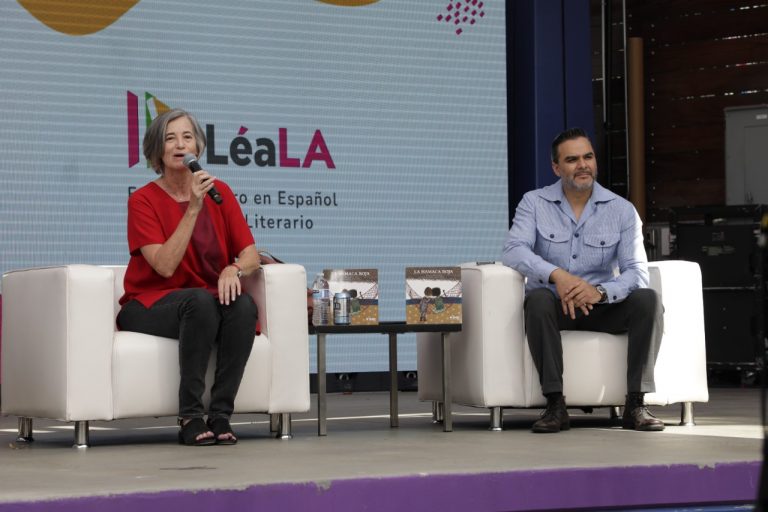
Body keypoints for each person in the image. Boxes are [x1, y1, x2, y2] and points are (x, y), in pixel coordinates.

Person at [502, 127, 664, 434]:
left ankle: (636, 404)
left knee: (647, 298)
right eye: (572, 159)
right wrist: (557, 275)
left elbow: (636, 272)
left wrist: (600, 292)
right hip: (556, 307)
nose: (583, 165)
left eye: (588, 157)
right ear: (556, 167)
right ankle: (555, 405)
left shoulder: (622, 211)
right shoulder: (534, 203)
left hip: (602, 307)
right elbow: (513, 249)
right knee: (536, 300)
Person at [117, 109, 260, 446]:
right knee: (199, 301)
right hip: (148, 304)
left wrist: (234, 268)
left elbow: (251, 253)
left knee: (242, 306)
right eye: (170, 138)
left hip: (203, 301)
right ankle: (190, 415)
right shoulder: (142, 201)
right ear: (157, 150)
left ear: (198, 145)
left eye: (187, 137)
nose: (180, 144)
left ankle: (221, 414)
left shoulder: (218, 192)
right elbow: (165, 266)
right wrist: (193, 208)